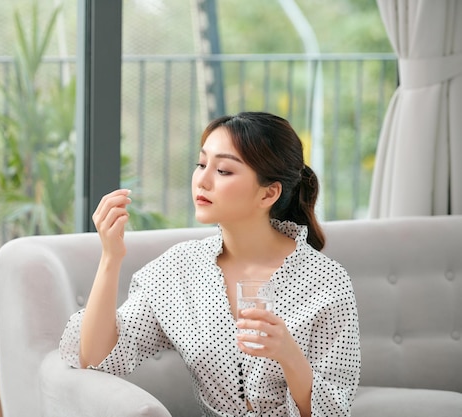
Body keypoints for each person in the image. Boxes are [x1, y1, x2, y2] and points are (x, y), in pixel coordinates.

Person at [60, 111, 361, 417]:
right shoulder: (180, 270)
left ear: (268, 193)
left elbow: (335, 411)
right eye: (202, 164)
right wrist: (111, 257)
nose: (202, 181)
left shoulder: (326, 280)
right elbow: (96, 356)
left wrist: (289, 355)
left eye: (224, 171)